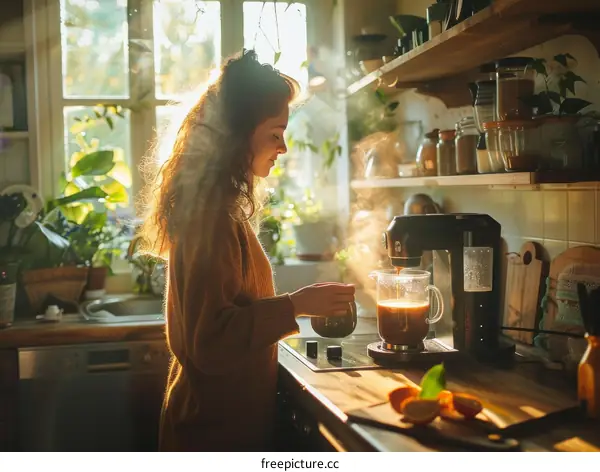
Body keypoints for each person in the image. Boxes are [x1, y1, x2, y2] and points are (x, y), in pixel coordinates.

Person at [140, 49, 355, 452]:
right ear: (238, 133)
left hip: (221, 423)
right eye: (275, 133)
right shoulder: (211, 219)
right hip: (211, 434)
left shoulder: (217, 209)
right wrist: (296, 305)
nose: (284, 148)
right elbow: (212, 341)